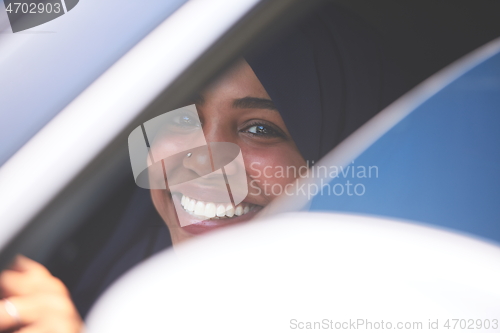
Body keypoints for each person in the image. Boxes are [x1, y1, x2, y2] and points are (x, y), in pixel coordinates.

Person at [0, 4, 405, 332]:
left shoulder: (385, 308)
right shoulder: (104, 255)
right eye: (180, 118)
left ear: (341, 151)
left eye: (259, 128)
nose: (205, 162)